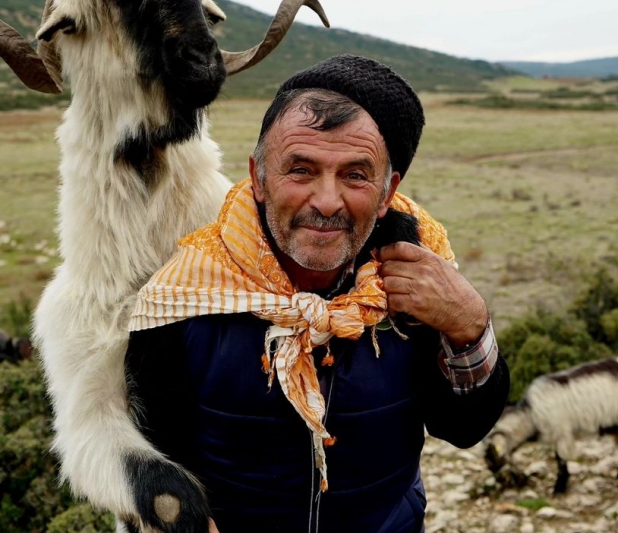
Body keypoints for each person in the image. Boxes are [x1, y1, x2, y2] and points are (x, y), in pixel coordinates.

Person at [126, 54, 510, 533]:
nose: (327, 201)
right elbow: (156, 456)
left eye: (355, 175)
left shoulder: (417, 281)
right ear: (260, 179)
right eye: (301, 170)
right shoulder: (182, 297)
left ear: (388, 191)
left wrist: (470, 325)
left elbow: (464, 427)